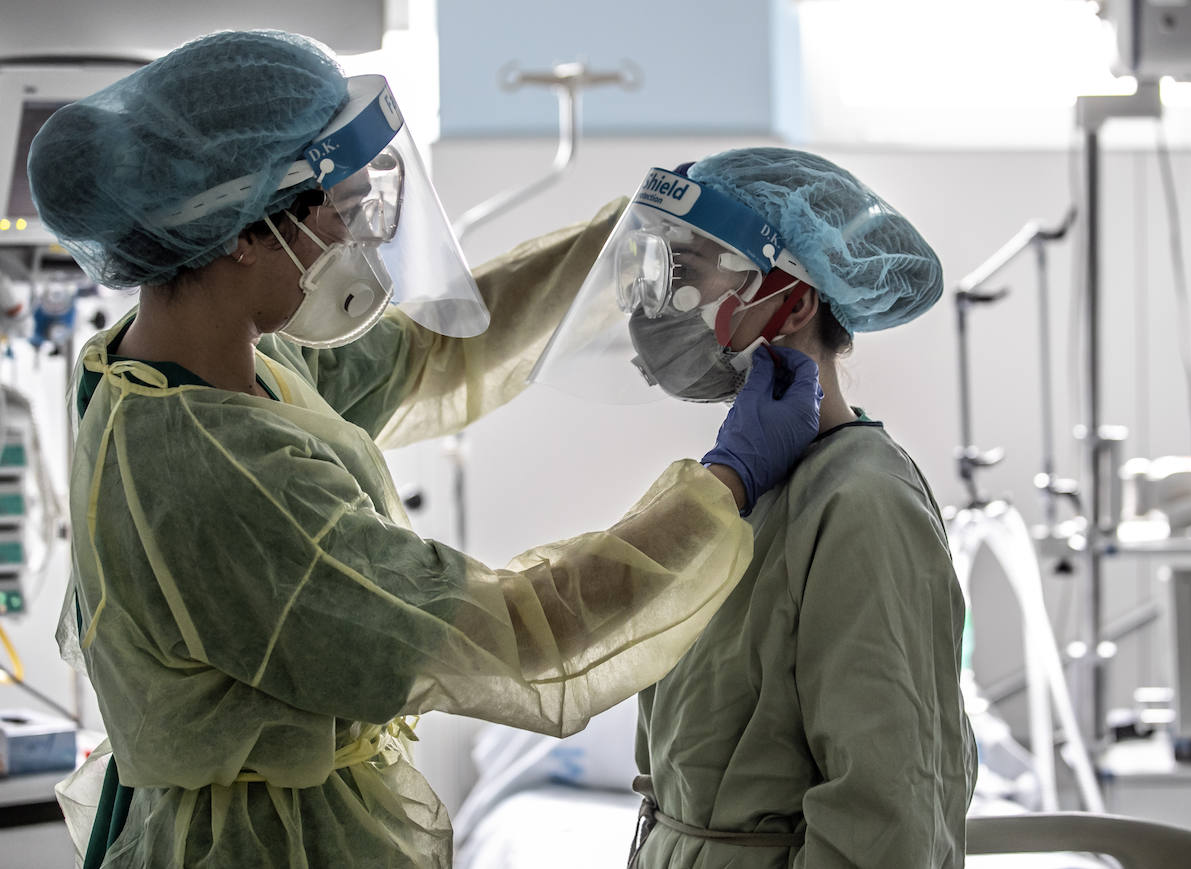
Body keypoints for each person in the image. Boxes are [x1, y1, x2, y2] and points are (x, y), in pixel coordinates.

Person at [27, 32, 822, 868]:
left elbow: (435, 354)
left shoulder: (182, 362)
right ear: (242, 233)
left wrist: (622, 236)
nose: (358, 239)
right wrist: (723, 484)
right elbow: (522, 638)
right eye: (342, 211)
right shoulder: (220, 478)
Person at [568, 148, 978, 867]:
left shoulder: (863, 500)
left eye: (685, 274)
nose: (652, 302)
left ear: (793, 298)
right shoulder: (725, 494)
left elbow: (888, 813)